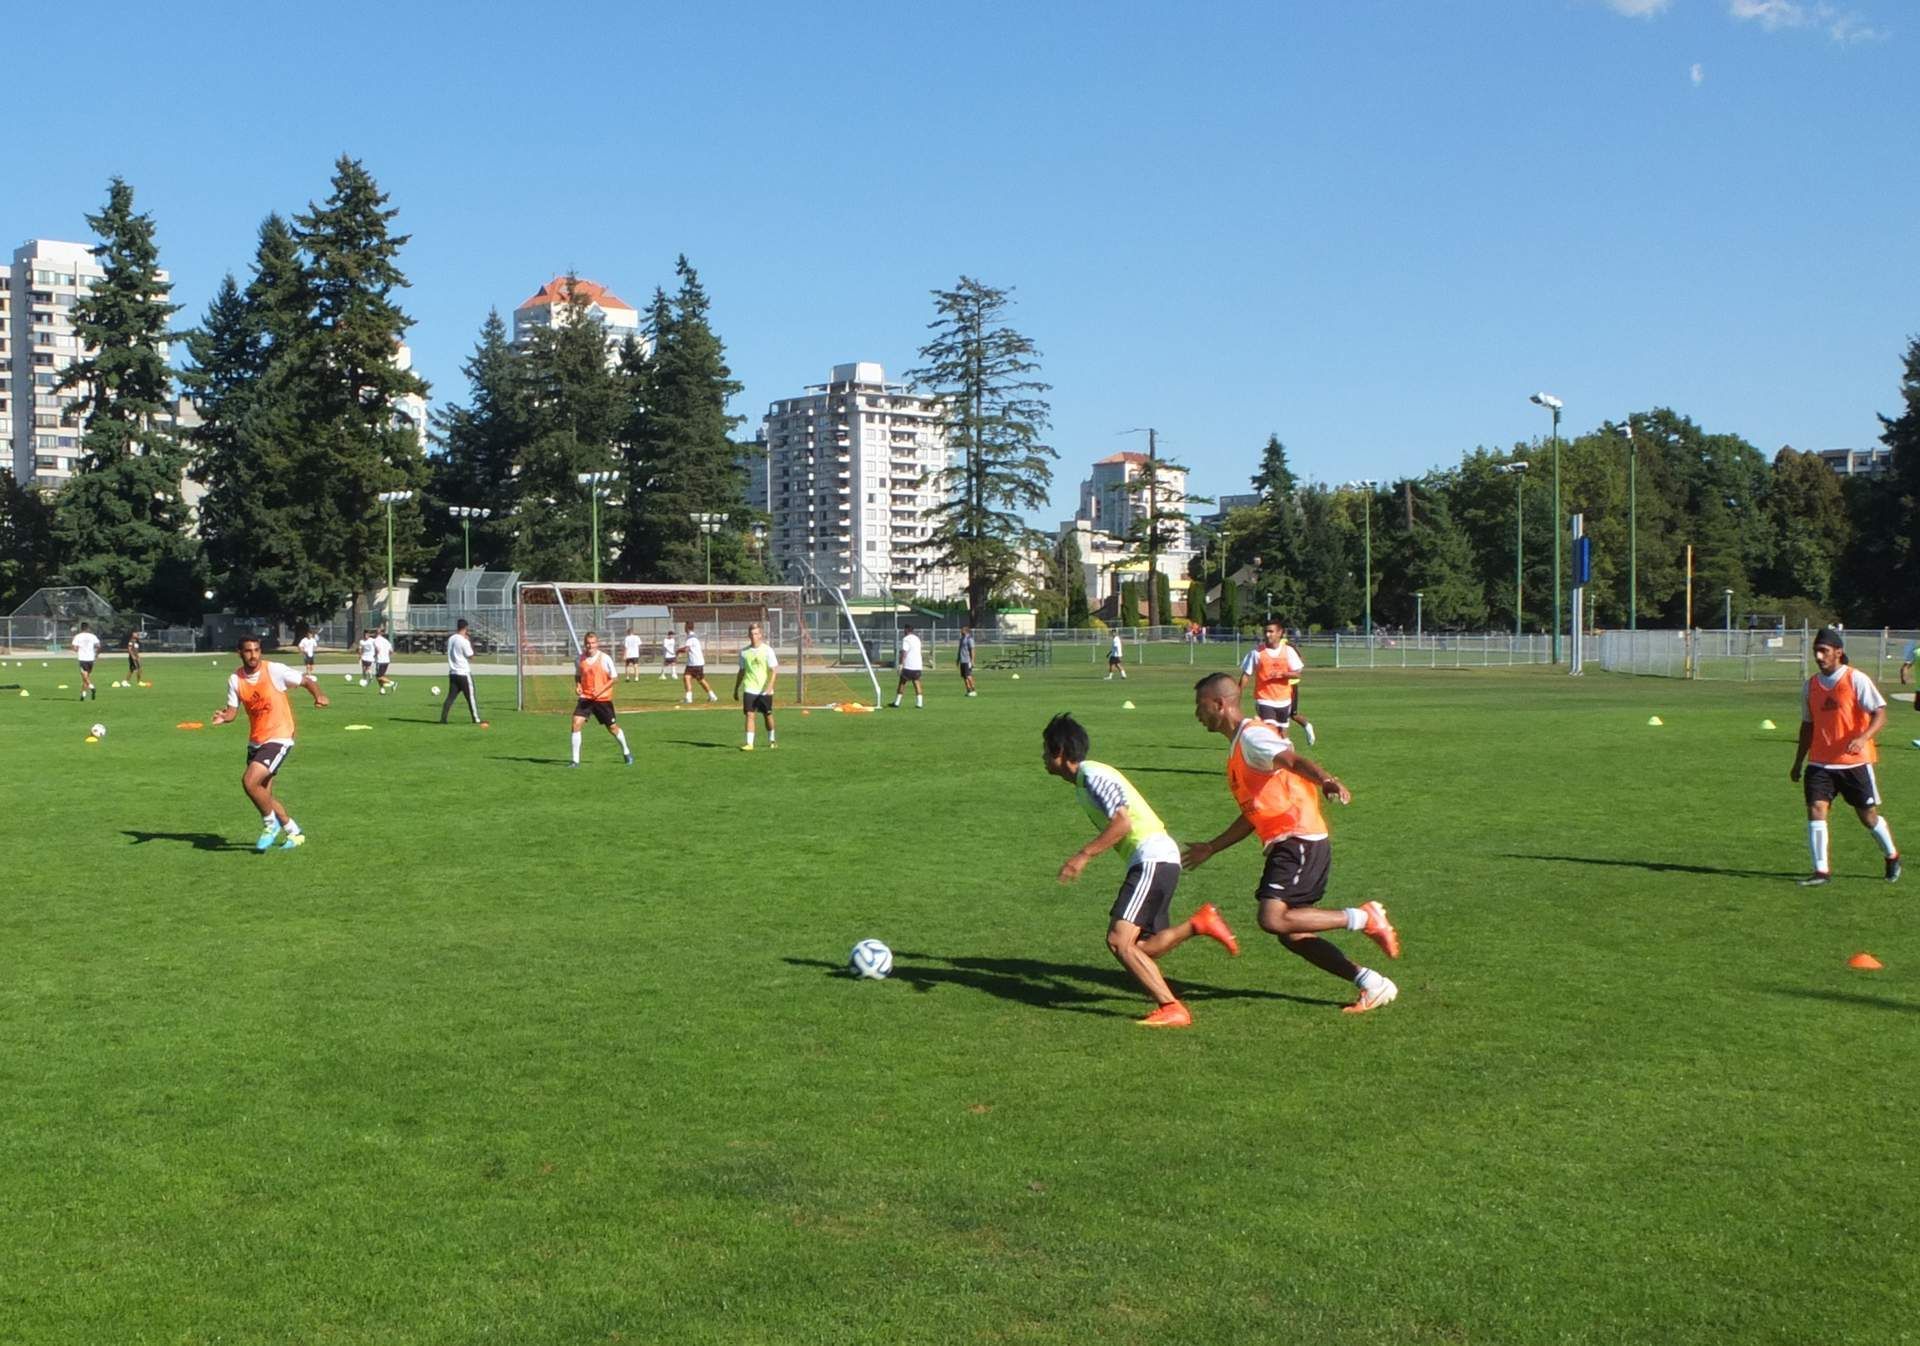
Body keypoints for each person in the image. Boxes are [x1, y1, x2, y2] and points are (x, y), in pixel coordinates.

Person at [1181, 672, 1401, 1013]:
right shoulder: (1241, 745)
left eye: (1200, 706)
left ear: (1219, 704)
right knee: (1293, 932)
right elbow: (1255, 813)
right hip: (1290, 840)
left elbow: (1294, 761)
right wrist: (1212, 846)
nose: (1197, 714)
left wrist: (1326, 780)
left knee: (1272, 918)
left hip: (1298, 838)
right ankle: (1372, 983)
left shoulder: (1253, 738)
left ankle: (1364, 917)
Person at [1044, 712, 1240, 1028]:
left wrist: (1083, 855)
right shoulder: (1085, 781)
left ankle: (1172, 1007)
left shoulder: (1093, 776)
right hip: (1159, 857)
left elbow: (1122, 823)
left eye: (1045, 750)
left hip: (1152, 857)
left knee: (1119, 941)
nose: (1042, 757)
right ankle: (1200, 923)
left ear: (1059, 752)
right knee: (1142, 948)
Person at [1790, 627, 1899, 884]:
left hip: (1854, 763)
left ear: (1838, 652)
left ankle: (1891, 855)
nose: (1818, 656)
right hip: (1819, 762)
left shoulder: (1855, 679)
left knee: (1868, 816)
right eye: (1816, 651)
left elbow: (1880, 713)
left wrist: (1863, 738)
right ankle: (1821, 871)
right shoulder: (1811, 686)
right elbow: (1808, 725)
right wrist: (1798, 762)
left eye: (1824, 651)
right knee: (1816, 809)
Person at [209, 635, 329, 850]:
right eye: (248, 651)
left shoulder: (275, 670)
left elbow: (306, 680)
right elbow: (233, 712)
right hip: (256, 740)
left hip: (280, 736)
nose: (253, 655)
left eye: (256, 650)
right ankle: (294, 832)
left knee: (249, 782)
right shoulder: (235, 679)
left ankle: (269, 824)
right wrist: (224, 717)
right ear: (240, 653)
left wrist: (318, 696)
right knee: (262, 793)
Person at [1238, 621, 1317, 746]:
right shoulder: (1256, 653)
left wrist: (1282, 674)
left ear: (1280, 633)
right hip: (1264, 699)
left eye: (1271, 631)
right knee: (1270, 731)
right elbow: (1246, 676)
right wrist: (1237, 695)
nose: (1267, 635)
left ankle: (1288, 761)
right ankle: (1270, 763)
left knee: (1283, 735)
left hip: (1284, 700)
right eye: (1266, 632)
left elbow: (1297, 674)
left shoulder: (1288, 651)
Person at [571, 632, 633, 767]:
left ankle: (626, 751)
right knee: (576, 723)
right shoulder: (579, 659)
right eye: (588, 643)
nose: (590, 645)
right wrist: (578, 685)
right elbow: (578, 675)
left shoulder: (605, 658)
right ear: (584, 644)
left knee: (612, 728)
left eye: (593, 643)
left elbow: (614, 678)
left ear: (597, 644)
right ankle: (575, 761)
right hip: (586, 698)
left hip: (602, 699)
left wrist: (601, 689)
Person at [734, 621, 780, 750]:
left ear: (761, 635)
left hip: (764, 690)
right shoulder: (744, 652)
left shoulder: (767, 650)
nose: (754, 636)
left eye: (756, 633)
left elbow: (774, 670)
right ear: (749, 635)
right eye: (752, 633)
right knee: (750, 714)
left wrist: (770, 686)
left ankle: (772, 739)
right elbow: (741, 671)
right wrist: (736, 688)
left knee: (767, 715)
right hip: (749, 688)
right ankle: (749, 743)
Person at [440, 618, 484, 725]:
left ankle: (443, 718)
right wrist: (468, 641)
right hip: (463, 673)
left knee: (450, 697)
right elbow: (471, 656)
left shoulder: (451, 638)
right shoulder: (464, 641)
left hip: (453, 673)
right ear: (465, 628)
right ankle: (476, 718)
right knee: (471, 697)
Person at [680, 622, 718, 704]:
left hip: (694, 663)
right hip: (698, 662)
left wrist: (678, 650)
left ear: (686, 627)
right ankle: (712, 696)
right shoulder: (694, 636)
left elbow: (686, 649)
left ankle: (689, 698)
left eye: (685, 627)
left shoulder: (690, 637)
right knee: (700, 679)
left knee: (687, 677)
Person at [891, 623, 924, 708]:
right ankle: (919, 703)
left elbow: (904, 652)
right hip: (918, 665)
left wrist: (901, 664)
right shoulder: (917, 638)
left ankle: (897, 702)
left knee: (902, 683)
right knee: (917, 682)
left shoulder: (906, 639)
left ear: (906, 630)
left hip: (909, 664)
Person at [70, 623, 101, 700]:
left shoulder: (78, 636)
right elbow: (98, 646)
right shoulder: (92, 636)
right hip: (91, 658)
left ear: (81, 628)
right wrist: (96, 654)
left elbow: (74, 647)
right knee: (86, 677)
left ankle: (91, 686)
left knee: (84, 676)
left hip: (83, 658)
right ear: (88, 628)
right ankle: (83, 695)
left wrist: (76, 650)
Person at [372, 626, 395, 695]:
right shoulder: (386, 641)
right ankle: (382, 690)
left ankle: (393, 683)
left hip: (380, 660)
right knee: (381, 676)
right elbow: (391, 651)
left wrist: (375, 656)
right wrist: (386, 656)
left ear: (376, 633)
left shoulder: (375, 641)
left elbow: (378, 650)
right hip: (386, 660)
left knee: (379, 676)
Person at [957, 625, 978, 698]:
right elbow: (960, 650)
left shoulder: (969, 639)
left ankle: (974, 690)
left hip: (967, 660)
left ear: (965, 631)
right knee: (964, 677)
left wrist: (972, 661)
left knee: (969, 676)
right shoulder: (961, 639)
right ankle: (968, 691)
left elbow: (972, 650)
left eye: (961, 630)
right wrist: (958, 659)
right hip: (962, 661)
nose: (960, 631)